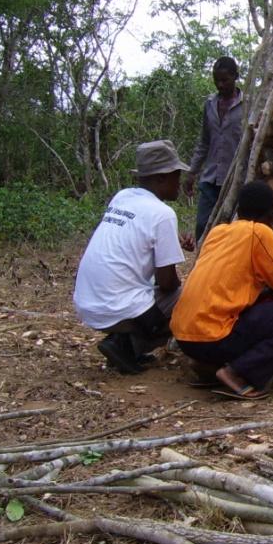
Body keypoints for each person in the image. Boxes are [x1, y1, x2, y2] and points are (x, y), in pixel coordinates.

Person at [170, 181, 273, 398]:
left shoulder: (218, 232)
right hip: (214, 339)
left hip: (183, 337)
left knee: (258, 301)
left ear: (239, 210)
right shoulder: (259, 232)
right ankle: (240, 372)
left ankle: (206, 367)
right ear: (271, 216)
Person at [73, 140, 195, 374]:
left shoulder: (123, 197)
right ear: (161, 178)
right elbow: (167, 283)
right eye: (176, 176)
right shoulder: (163, 214)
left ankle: (125, 345)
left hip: (87, 303)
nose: (179, 183)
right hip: (115, 307)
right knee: (192, 299)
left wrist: (172, 241)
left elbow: (134, 231)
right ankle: (129, 344)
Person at [184, 56, 244, 241]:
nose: (220, 85)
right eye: (216, 80)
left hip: (234, 179)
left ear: (235, 77)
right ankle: (202, 265)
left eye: (224, 80)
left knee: (231, 230)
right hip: (210, 178)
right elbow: (204, 142)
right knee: (203, 226)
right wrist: (191, 172)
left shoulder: (247, 106)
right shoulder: (210, 105)